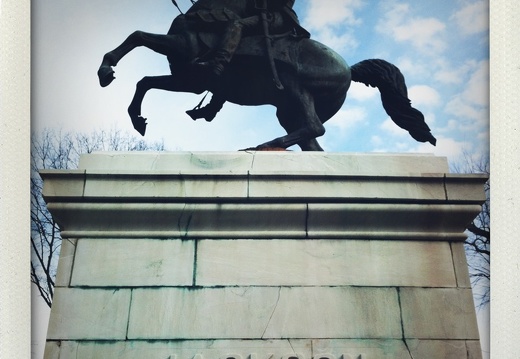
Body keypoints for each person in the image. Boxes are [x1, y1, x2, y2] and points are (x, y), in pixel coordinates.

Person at [192, 0, 309, 76]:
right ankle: (214, 106)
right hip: (265, 15)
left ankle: (219, 61)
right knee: (239, 44)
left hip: (278, 18)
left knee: (237, 25)